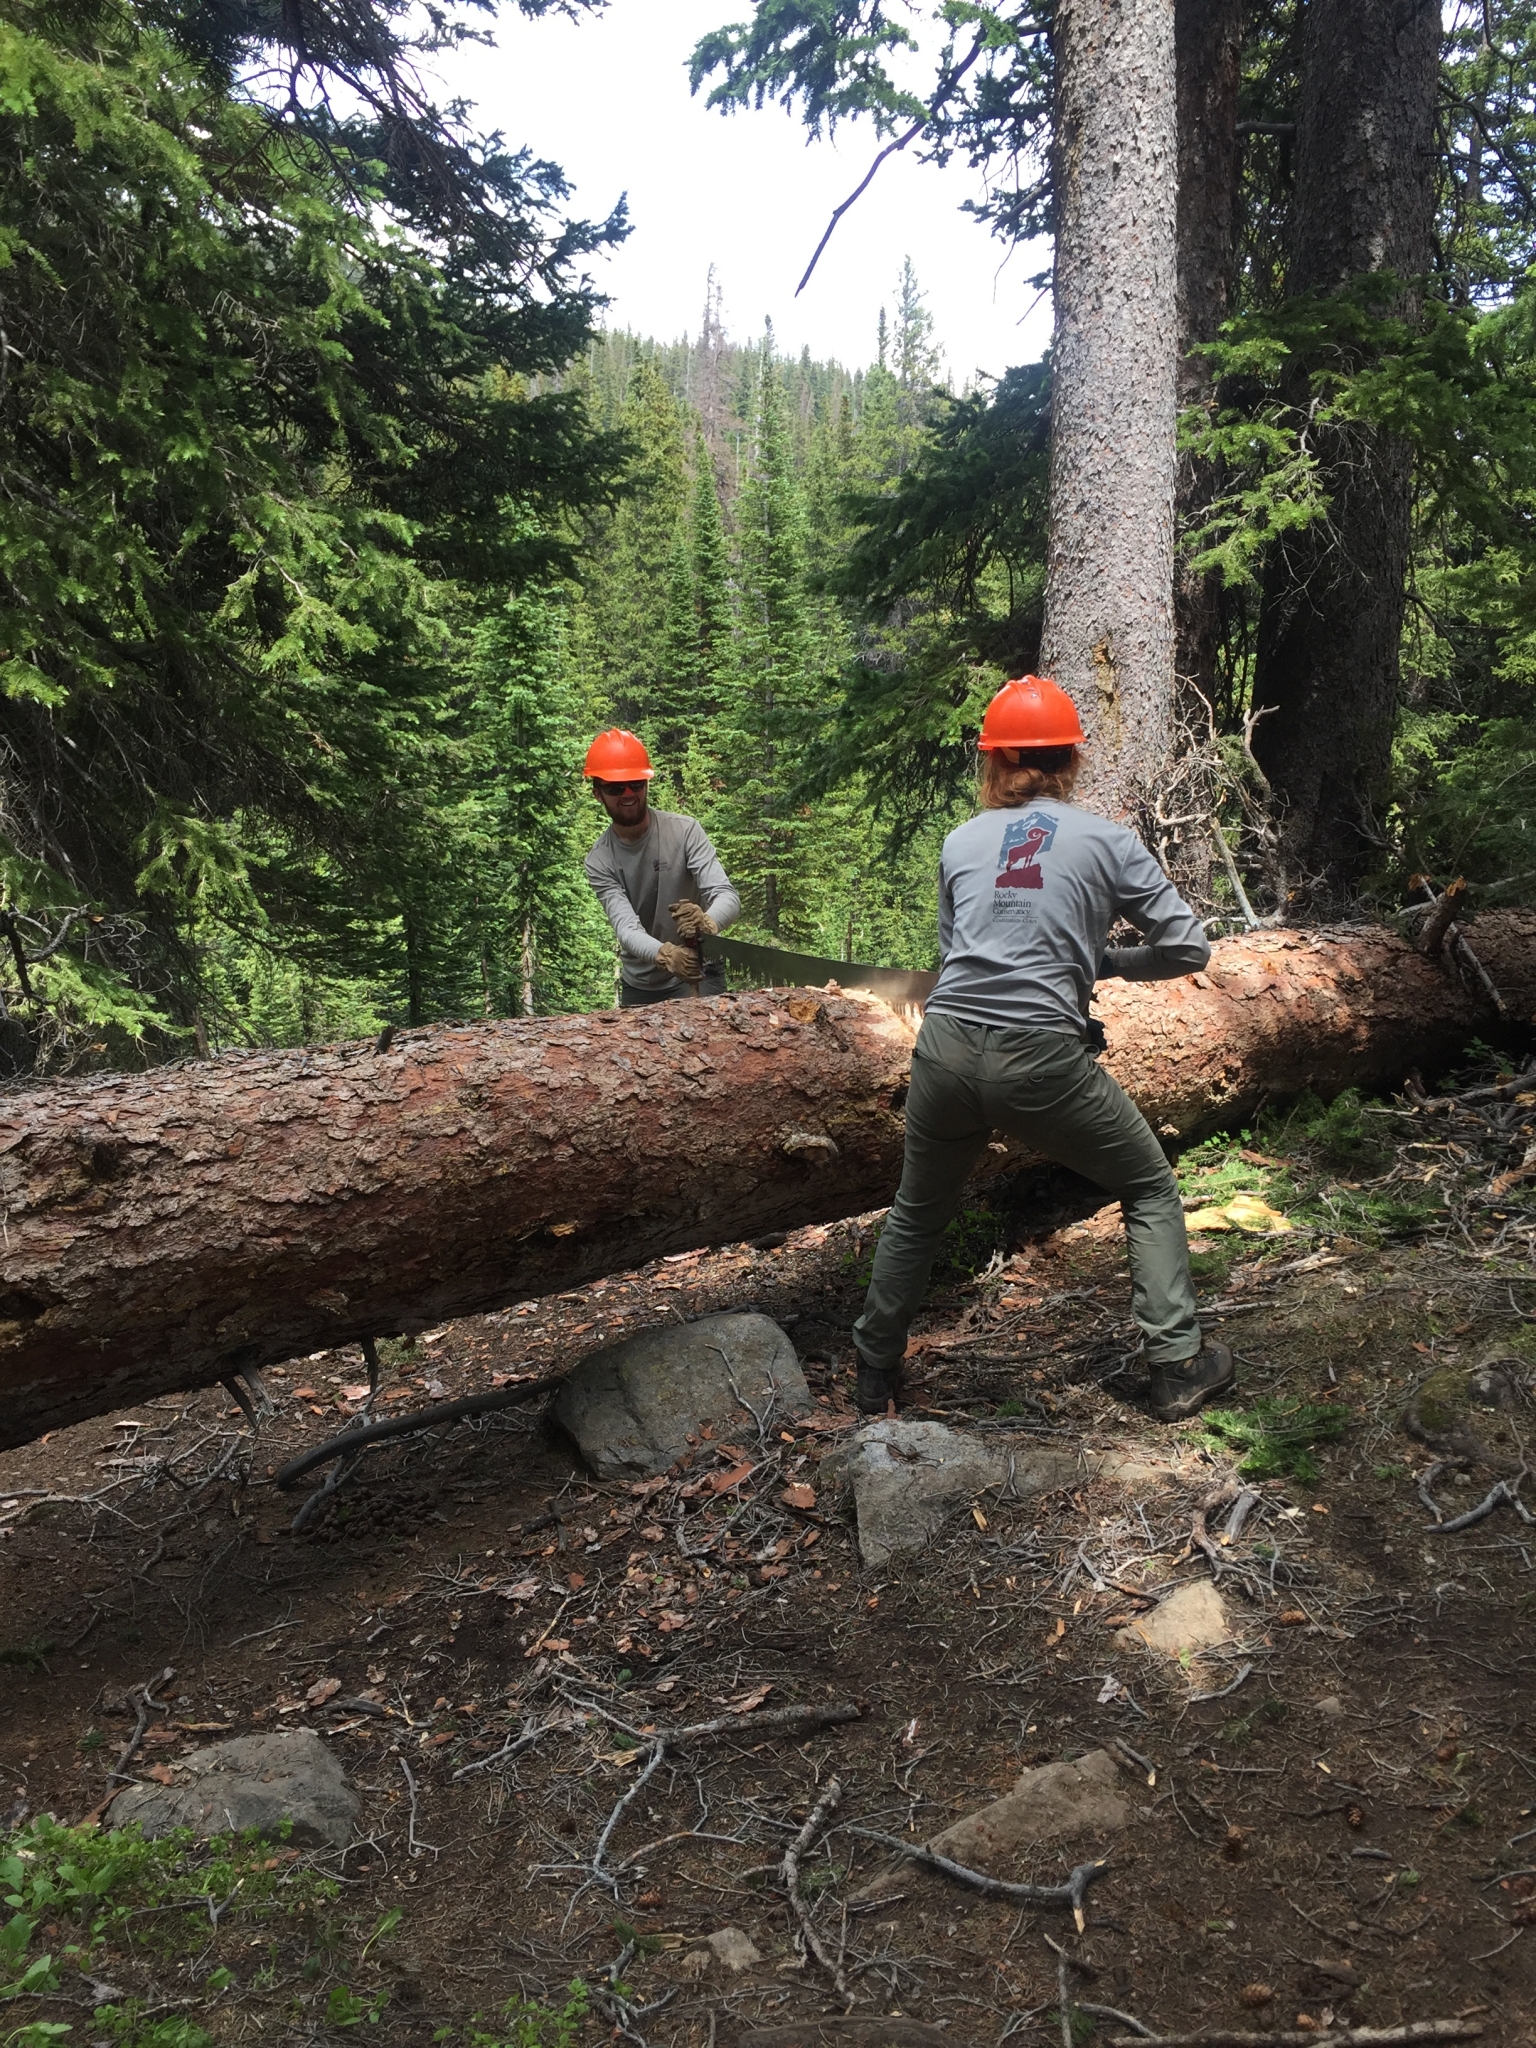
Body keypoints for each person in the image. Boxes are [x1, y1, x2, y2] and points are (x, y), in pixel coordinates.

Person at [850, 674, 1234, 1424]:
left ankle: (873, 1373)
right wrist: (1104, 963)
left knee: (918, 1211)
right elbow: (1189, 948)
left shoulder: (960, 841)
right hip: (1040, 1062)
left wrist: (1072, 967)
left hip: (948, 1046)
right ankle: (1177, 1364)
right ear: (1070, 763)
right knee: (1150, 1185)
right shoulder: (1108, 841)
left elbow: (957, 957)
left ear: (993, 764)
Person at [582, 728, 742, 1006]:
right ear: (598, 794)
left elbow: (726, 895)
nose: (628, 793)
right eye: (616, 788)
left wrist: (708, 922)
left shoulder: (684, 831)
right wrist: (666, 955)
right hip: (643, 983)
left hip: (700, 972)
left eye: (636, 783)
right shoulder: (600, 860)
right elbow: (627, 928)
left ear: (646, 784)